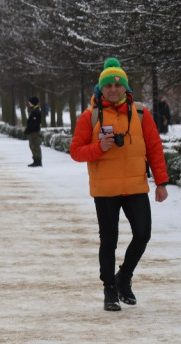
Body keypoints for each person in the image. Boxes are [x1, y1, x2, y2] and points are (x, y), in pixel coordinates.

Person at [69, 58, 169, 312]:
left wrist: (161, 182)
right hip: (106, 190)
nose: (113, 89)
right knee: (109, 240)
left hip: (136, 186)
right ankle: (109, 290)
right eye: (108, 86)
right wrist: (98, 148)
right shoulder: (89, 116)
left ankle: (123, 277)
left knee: (143, 234)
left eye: (118, 84)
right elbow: (76, 151)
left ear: (125, 87)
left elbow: (155, 147)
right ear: (100, 89)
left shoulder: (140, 113)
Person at [25, 96, 43, 167]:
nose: (29, 103)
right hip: (33, 131)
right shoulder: (35, 110)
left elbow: (34, 123)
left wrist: (28, 129)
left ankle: (37, 160)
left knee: (35, 145)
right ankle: (36, 160)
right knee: (33, 145)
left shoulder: (36, 111)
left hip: (34, 132)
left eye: (30, 102)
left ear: (33, 103)